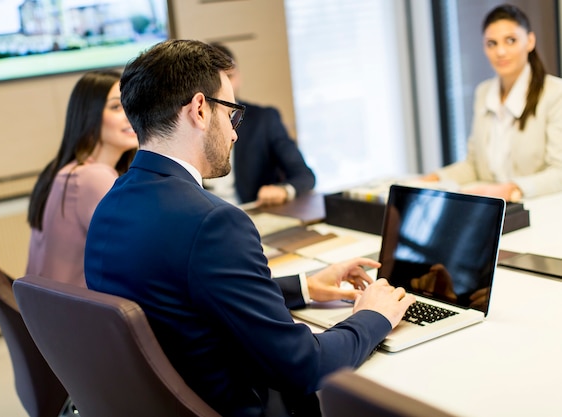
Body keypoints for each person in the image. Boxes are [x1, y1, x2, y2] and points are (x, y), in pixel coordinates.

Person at [84, 39, 414, 417]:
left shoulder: (113, 202)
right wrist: (373, 315)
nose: (235, 133)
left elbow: (185, 295)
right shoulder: (213, 221)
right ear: (200, 110)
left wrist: (305, 287)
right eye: (231, 114)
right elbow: (304, 367)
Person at [423, 4, 562, 201]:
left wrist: (512, 188)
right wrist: (433, 179)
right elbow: (473, 166)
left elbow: (559, 172)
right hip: (491, 207)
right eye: (492, 43)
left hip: (534, 209)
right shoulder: (483, 93)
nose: (501, 52)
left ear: (530, 41)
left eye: (511, 40)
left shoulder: (555, 93)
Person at [26, 70, 138, 287]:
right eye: (116, 107)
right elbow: (137, 252)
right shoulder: (92, 177)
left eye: (131, 104)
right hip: (76, 315)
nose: (130, 114)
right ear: (90, 115)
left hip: (51, 311)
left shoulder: (65, 170)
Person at [203, 43, 316, 206]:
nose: (226, 86)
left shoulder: (264, 119)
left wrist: (283, 190)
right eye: (218, 80)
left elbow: (304, 175)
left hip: (252, 212)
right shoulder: (192, 123)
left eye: (230, 77)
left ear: (239, 78)